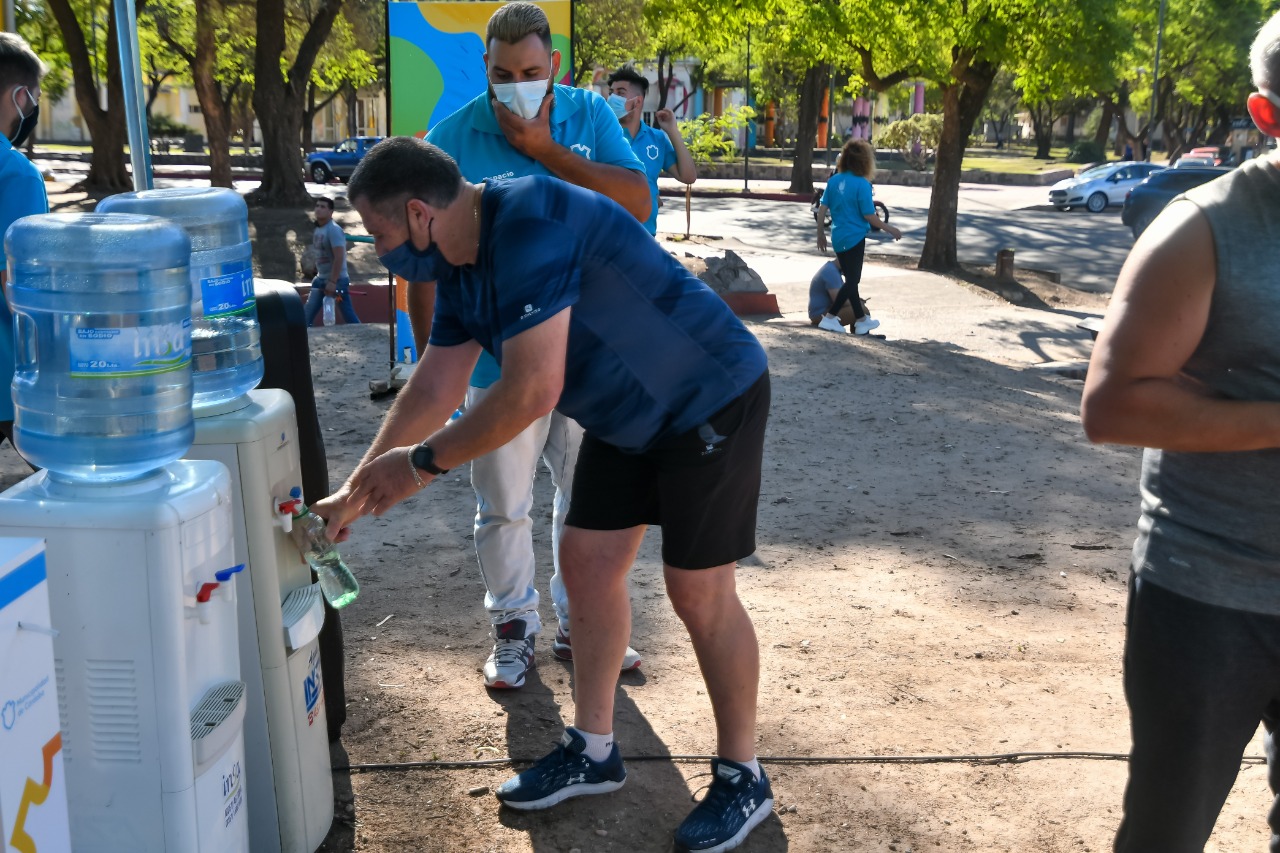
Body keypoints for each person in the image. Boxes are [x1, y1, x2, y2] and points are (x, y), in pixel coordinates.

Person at [314, 135, 773, 853]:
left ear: (419, 213)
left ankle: (743, 774)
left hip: (708, 396)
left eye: (379, 234)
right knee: (585, 565)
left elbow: (532, 390)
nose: (379, 251)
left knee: (697, 590)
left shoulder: (528, 224)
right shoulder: (459, 261)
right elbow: (434, 386)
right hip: (626, 416)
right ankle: (594, 749)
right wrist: (353, 490)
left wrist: (420, 466)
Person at [1080, 13, 1280, 851]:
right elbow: (1113, 406)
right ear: (1267, 113)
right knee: (1166, 831)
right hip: (1209, 594)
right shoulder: (1203, 229)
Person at [416, 1, 649, 689]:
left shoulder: (590, 115)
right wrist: (433, 372)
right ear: (484, 67)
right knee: (503, 500)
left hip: (590, 349)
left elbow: (638, 203)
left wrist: (546, 150)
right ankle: (514, 627)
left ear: (555, 66)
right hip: (499, 361)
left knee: (588, 497)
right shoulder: (451, 138)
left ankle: (583, 621)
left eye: (530, 72)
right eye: (502, 74)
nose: (516, 85)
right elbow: (426, 265)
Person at [0, 33, 47, 461]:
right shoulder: (15, 173)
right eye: (34, 99)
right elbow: (18, 285)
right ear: (19, 97)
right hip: (7, 375)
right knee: (63, 478)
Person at [814, 138, 902, 335]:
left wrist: (820, 233)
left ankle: (861, 321)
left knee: (851, 281)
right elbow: (869, 215)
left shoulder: (834, 180)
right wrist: (890, 228)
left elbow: (822, 209)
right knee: (853, 281)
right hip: (854, 238)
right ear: (864, 161)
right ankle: (830, 318)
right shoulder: (862, 184)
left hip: (838, 238)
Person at [605, 64, 697, 236]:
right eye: (611, 93)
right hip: (607, 236)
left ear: (638, 101)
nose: (612, 98)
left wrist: (672, 131)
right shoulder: (602, 135)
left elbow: (688, 176)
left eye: (620, 93)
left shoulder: (657, 139)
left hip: (646, 236)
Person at [304, 197, 360, 326]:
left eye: (323, 207)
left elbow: (339, 257)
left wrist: (333, 282)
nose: (318, 209)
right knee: (307, 314)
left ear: (331, 212)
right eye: (317, 206)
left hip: (337, 281)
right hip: (320, 279)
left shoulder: (333, 230)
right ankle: (303, 337)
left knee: (348, 316)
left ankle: (363, 334)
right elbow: (321, 252)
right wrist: (315, 267)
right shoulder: (318, 229)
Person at [808, 256, 856, 327]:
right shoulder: (831, 272)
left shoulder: (832, 268)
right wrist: (856, 302)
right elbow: (838, 300)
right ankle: (860, 332)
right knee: (863, 311)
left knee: (858, 308)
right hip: (820, 315)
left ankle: (858, 330)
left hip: (821, 312)